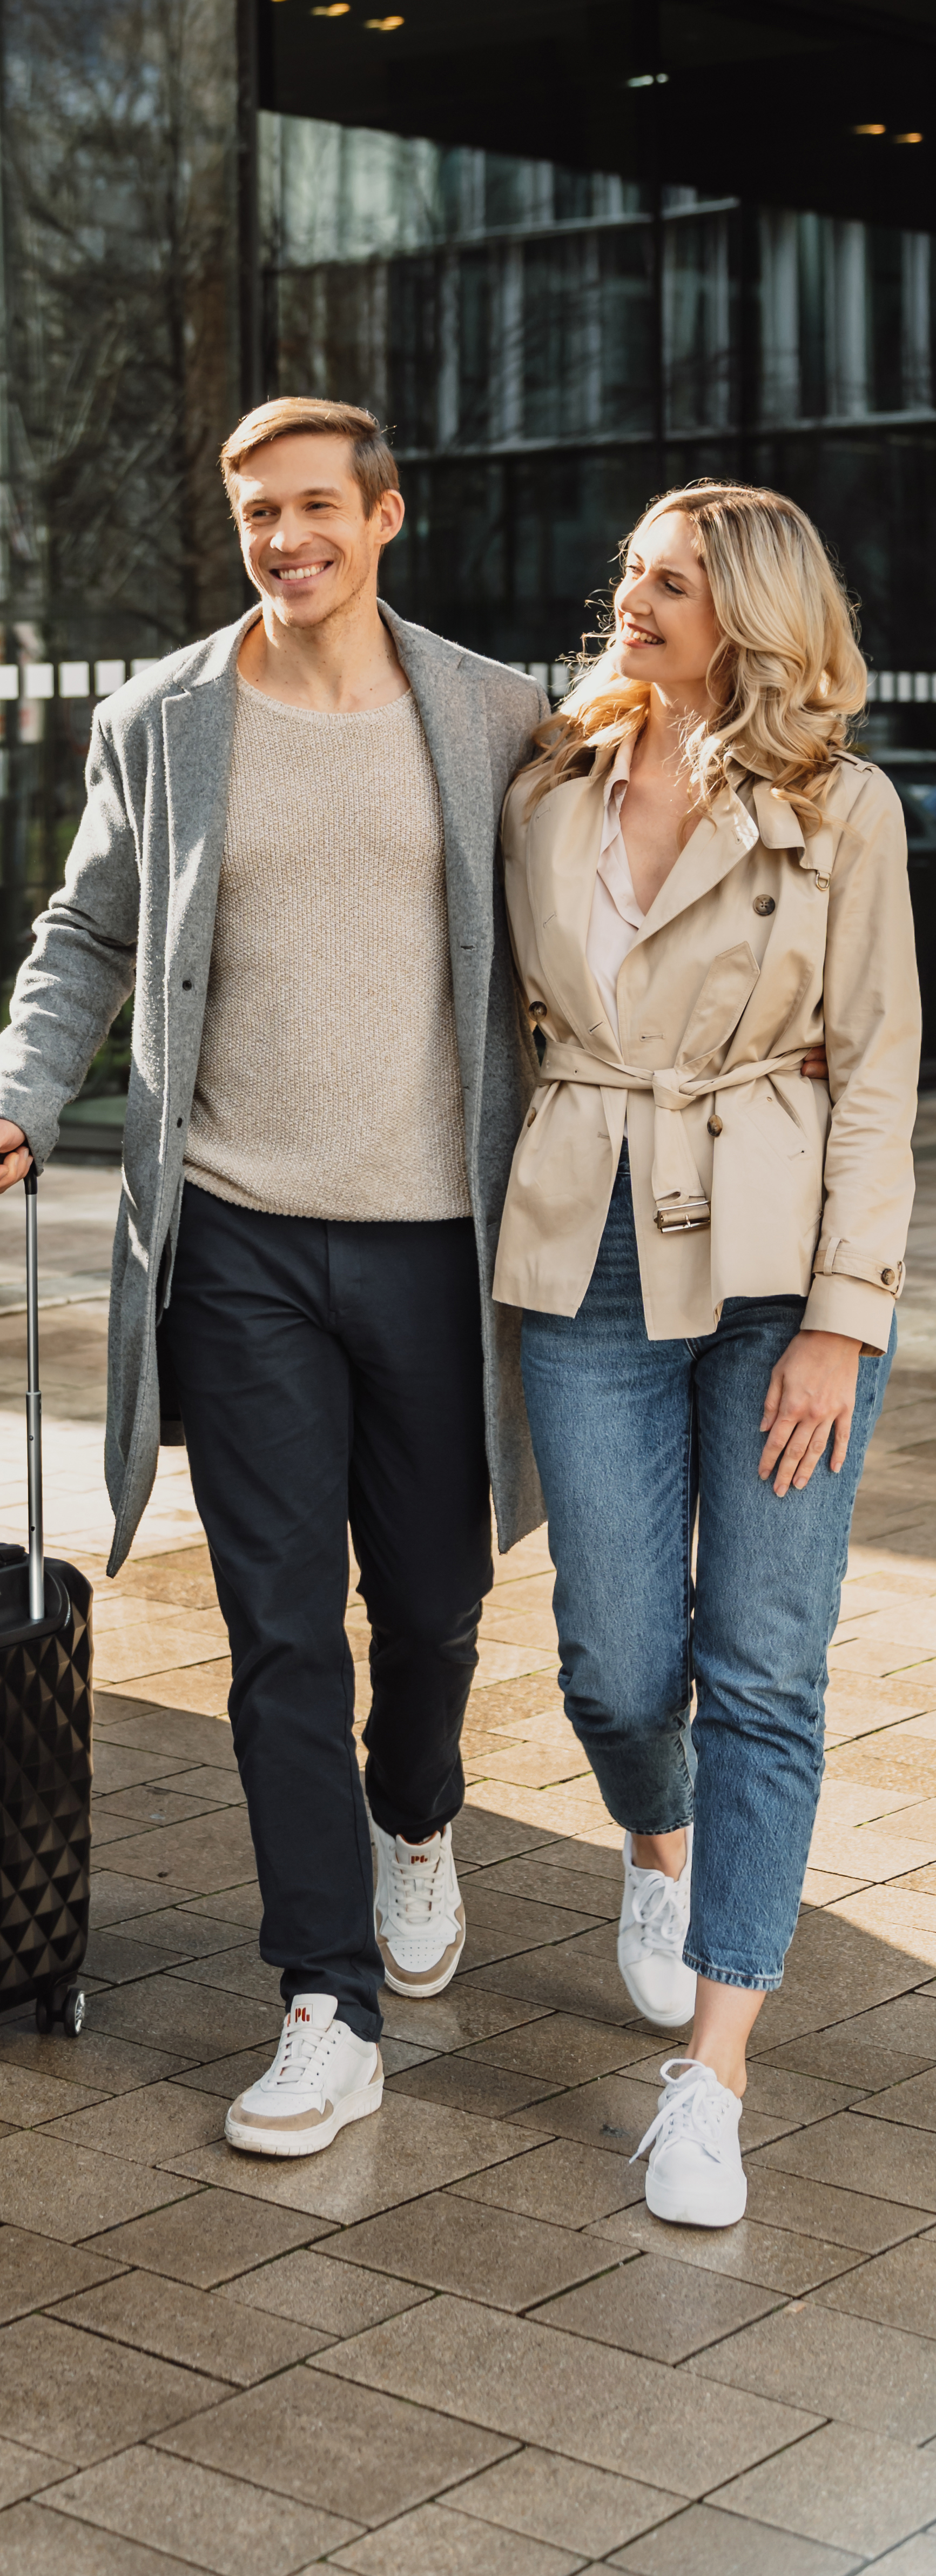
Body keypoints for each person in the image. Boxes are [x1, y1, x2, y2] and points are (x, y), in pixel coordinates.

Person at [0, 397, 546, 2156]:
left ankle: (415, 1816)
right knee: (280, 1628)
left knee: (432, 1604)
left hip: (437, 1240)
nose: (285, 540)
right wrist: (18, 1095)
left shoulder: (494, 714)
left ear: (384, 515)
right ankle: (323, 2003)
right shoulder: (165, 717)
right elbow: (88, 932)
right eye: (255, 514)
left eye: (313, 508)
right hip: (236, 1241)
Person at [495, 483, 918, 2228]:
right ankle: (657, 1849)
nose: (636, 597)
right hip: (583, 1237)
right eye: (635, 572)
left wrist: (844, 1317)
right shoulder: (550, 780)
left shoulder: (843, 806)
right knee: (612, 1664)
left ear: (748, 612)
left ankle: (714, 2076)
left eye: (672, 580)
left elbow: (878, 1069)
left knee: (765, 1670)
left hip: (776, 1263)